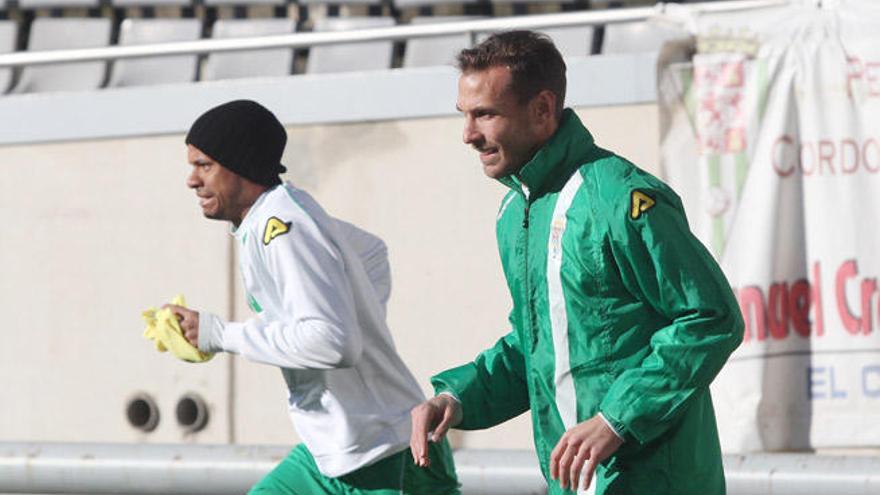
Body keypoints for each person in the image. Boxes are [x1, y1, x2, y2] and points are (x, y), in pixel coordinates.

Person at [409, 31, 744, 495]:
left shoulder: (620, 196)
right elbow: (536, 345)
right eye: (464, 115)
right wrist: (457, 397)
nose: (468, 134)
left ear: (543, 109)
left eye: (485, 114)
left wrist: (617, 419)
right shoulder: (515, 214)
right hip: (574, 485)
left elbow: (710, 318)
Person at [166, 99, 459, 494]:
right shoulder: (283, 214)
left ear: (241, 165)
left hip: (384, 455)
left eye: (204, 165)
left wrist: (219, 334)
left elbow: (332, 342)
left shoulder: (281, 226)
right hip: (340, 451)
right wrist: (359, 320)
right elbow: (371, 252)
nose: (191, 180)